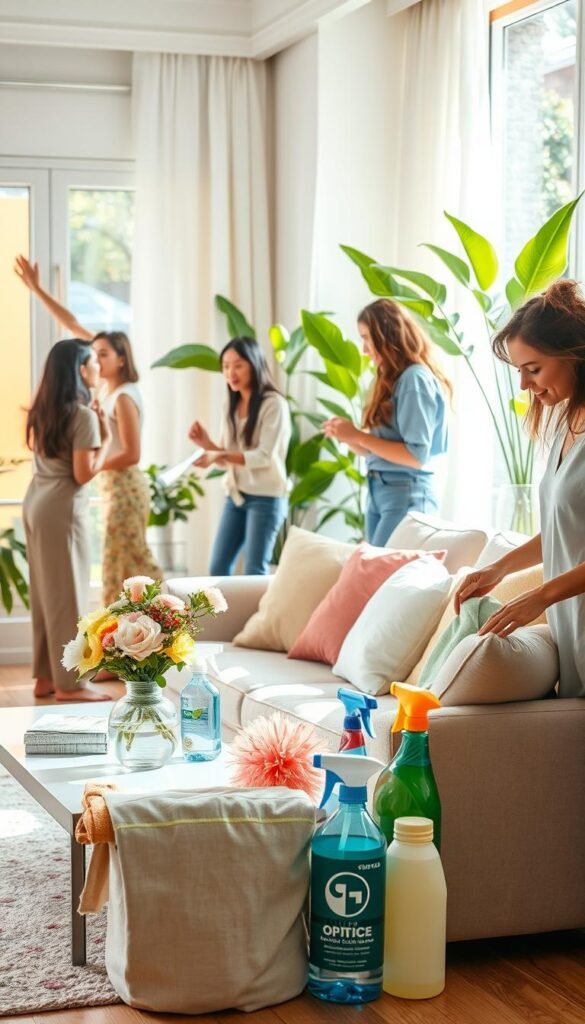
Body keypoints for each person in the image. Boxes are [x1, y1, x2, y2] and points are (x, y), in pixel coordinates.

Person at [454, 279, 585, 699]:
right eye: (519, 372)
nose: (525, 386)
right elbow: (566, 528)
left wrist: (541, 597)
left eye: (533, 369)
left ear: (573, 355)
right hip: (573, 629)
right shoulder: (568, 425)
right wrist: (500, 568)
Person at [14, 255, 161, 604]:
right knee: (118, 566)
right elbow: (72, 322)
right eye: (93, 354)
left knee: (131, 565)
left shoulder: (123, 396)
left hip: (125, 487)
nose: (93, 359)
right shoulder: (105, 390)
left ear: (121, 359)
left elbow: (132, 453)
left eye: (102, 355)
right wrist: (37, 290)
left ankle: (170, 623)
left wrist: (87, 466)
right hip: (112, 487)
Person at [322, 298, 452, 545]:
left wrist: (359, 435)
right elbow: (376, 449)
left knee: (378, 576)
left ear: (388, 336)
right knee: (377, 576)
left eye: (367, 338)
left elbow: (415, 455)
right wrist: (347, 436)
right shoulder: (391, 380)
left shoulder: (415, 380)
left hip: (406, 491)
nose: (364, 349)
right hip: (381, 490)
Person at [24, 339, 112, 701]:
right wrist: (105, 438)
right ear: (80, 370)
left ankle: (45, 678)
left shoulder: (45, 408)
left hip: (36, 502)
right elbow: (82, 474)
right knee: (68, 596)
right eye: (94, 362)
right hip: (61, 507)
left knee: (46, 595)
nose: (99, 368)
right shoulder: (83, 415)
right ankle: (70, 684)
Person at [189, 336, 291, 575]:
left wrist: (218, 454)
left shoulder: (273, 404)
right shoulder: (230, 404)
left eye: (238, 365)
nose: (230, 372)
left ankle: (257, 615)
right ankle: (227, 615)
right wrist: (206, 443)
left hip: (267, 498)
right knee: (218, 567)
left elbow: (262, 457)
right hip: (237, 496)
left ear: (254, 364)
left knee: (254, 570)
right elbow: (227, 458)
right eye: (225, 366)